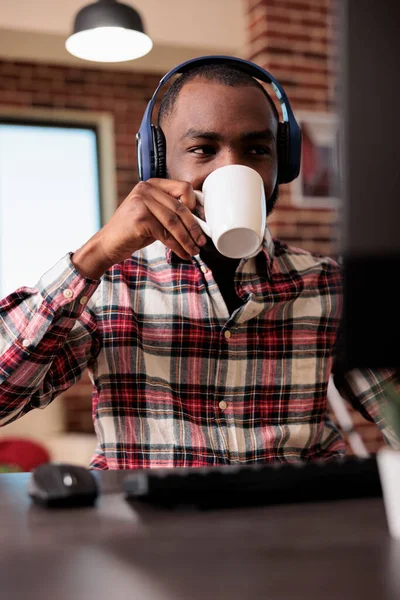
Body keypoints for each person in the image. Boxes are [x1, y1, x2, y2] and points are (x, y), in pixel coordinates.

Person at [0, 57, 398, 470]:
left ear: (284, 163)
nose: (232, 168)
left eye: (257, 150)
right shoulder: (109, 285)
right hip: (149, 532)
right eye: (203, 149)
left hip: (292, 526)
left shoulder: (328, 286)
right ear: (157, 163)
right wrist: (94, 256)